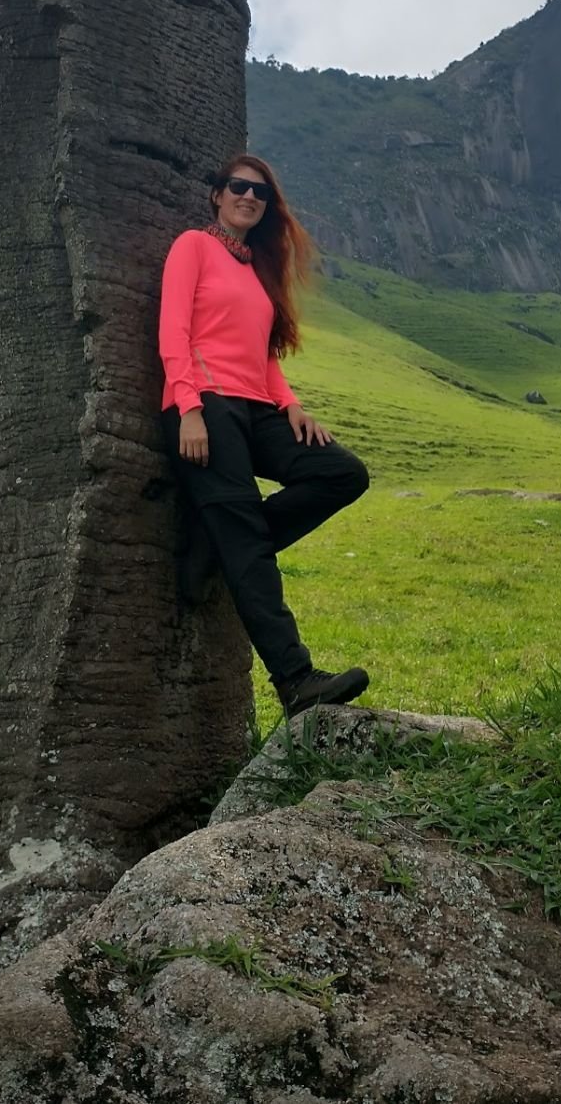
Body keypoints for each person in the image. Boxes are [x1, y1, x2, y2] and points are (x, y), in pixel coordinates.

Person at [159, 153, 370, 717]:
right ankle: (296, 680)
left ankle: (219, 545)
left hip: (257, 410)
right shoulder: (192, 247)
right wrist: (189, 408)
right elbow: (173, 332)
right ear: (217, 195)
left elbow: (263, 356)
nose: (249, 196)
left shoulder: (257, 270)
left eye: (260, 192)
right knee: (247, 536)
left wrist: (292, 406)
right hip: (206, 406)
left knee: (343, 473)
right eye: (238, 186)